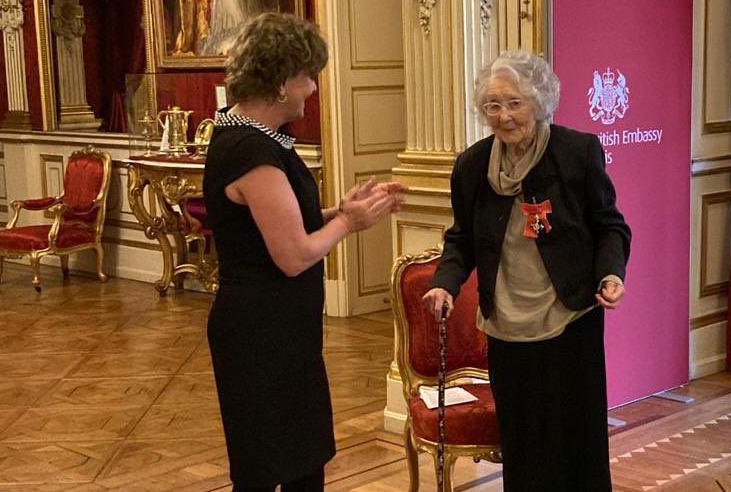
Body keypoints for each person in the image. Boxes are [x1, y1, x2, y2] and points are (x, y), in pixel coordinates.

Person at [202, 13, 405, 491]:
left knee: (300, 463)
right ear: (279, 82)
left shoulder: (253, 139)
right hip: (260, 334)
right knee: (272, 470)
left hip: (280, 328)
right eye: (306, 76)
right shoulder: (250, 151)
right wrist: (349, 223)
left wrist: (339, 209)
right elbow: (293, 255)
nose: (312, 89)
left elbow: (278, 223)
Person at [422, 52, 631, 491]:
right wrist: (445, 283)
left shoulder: (577, 153)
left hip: (570, 316)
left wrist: (611, 275)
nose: (504, 116)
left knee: (577, 437)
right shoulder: (473, 166)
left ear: (539, 102)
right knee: (523, 438)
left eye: (514, 103)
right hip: (506, 324)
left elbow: (610, 226)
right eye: (493, 106)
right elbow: (461, 238)